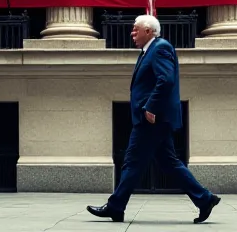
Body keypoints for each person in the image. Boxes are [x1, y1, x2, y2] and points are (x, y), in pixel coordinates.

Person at [86, 15, 221, 224]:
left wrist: (150, 106)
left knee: (132, 162)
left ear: (148, 31)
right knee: (169, 163)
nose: (132, 33)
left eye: (135, 29)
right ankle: (204, 199)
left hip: (152, 119)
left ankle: (115, 206)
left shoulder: (160, 47)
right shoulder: (149, 50)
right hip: (153, 119)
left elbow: (165, 80)